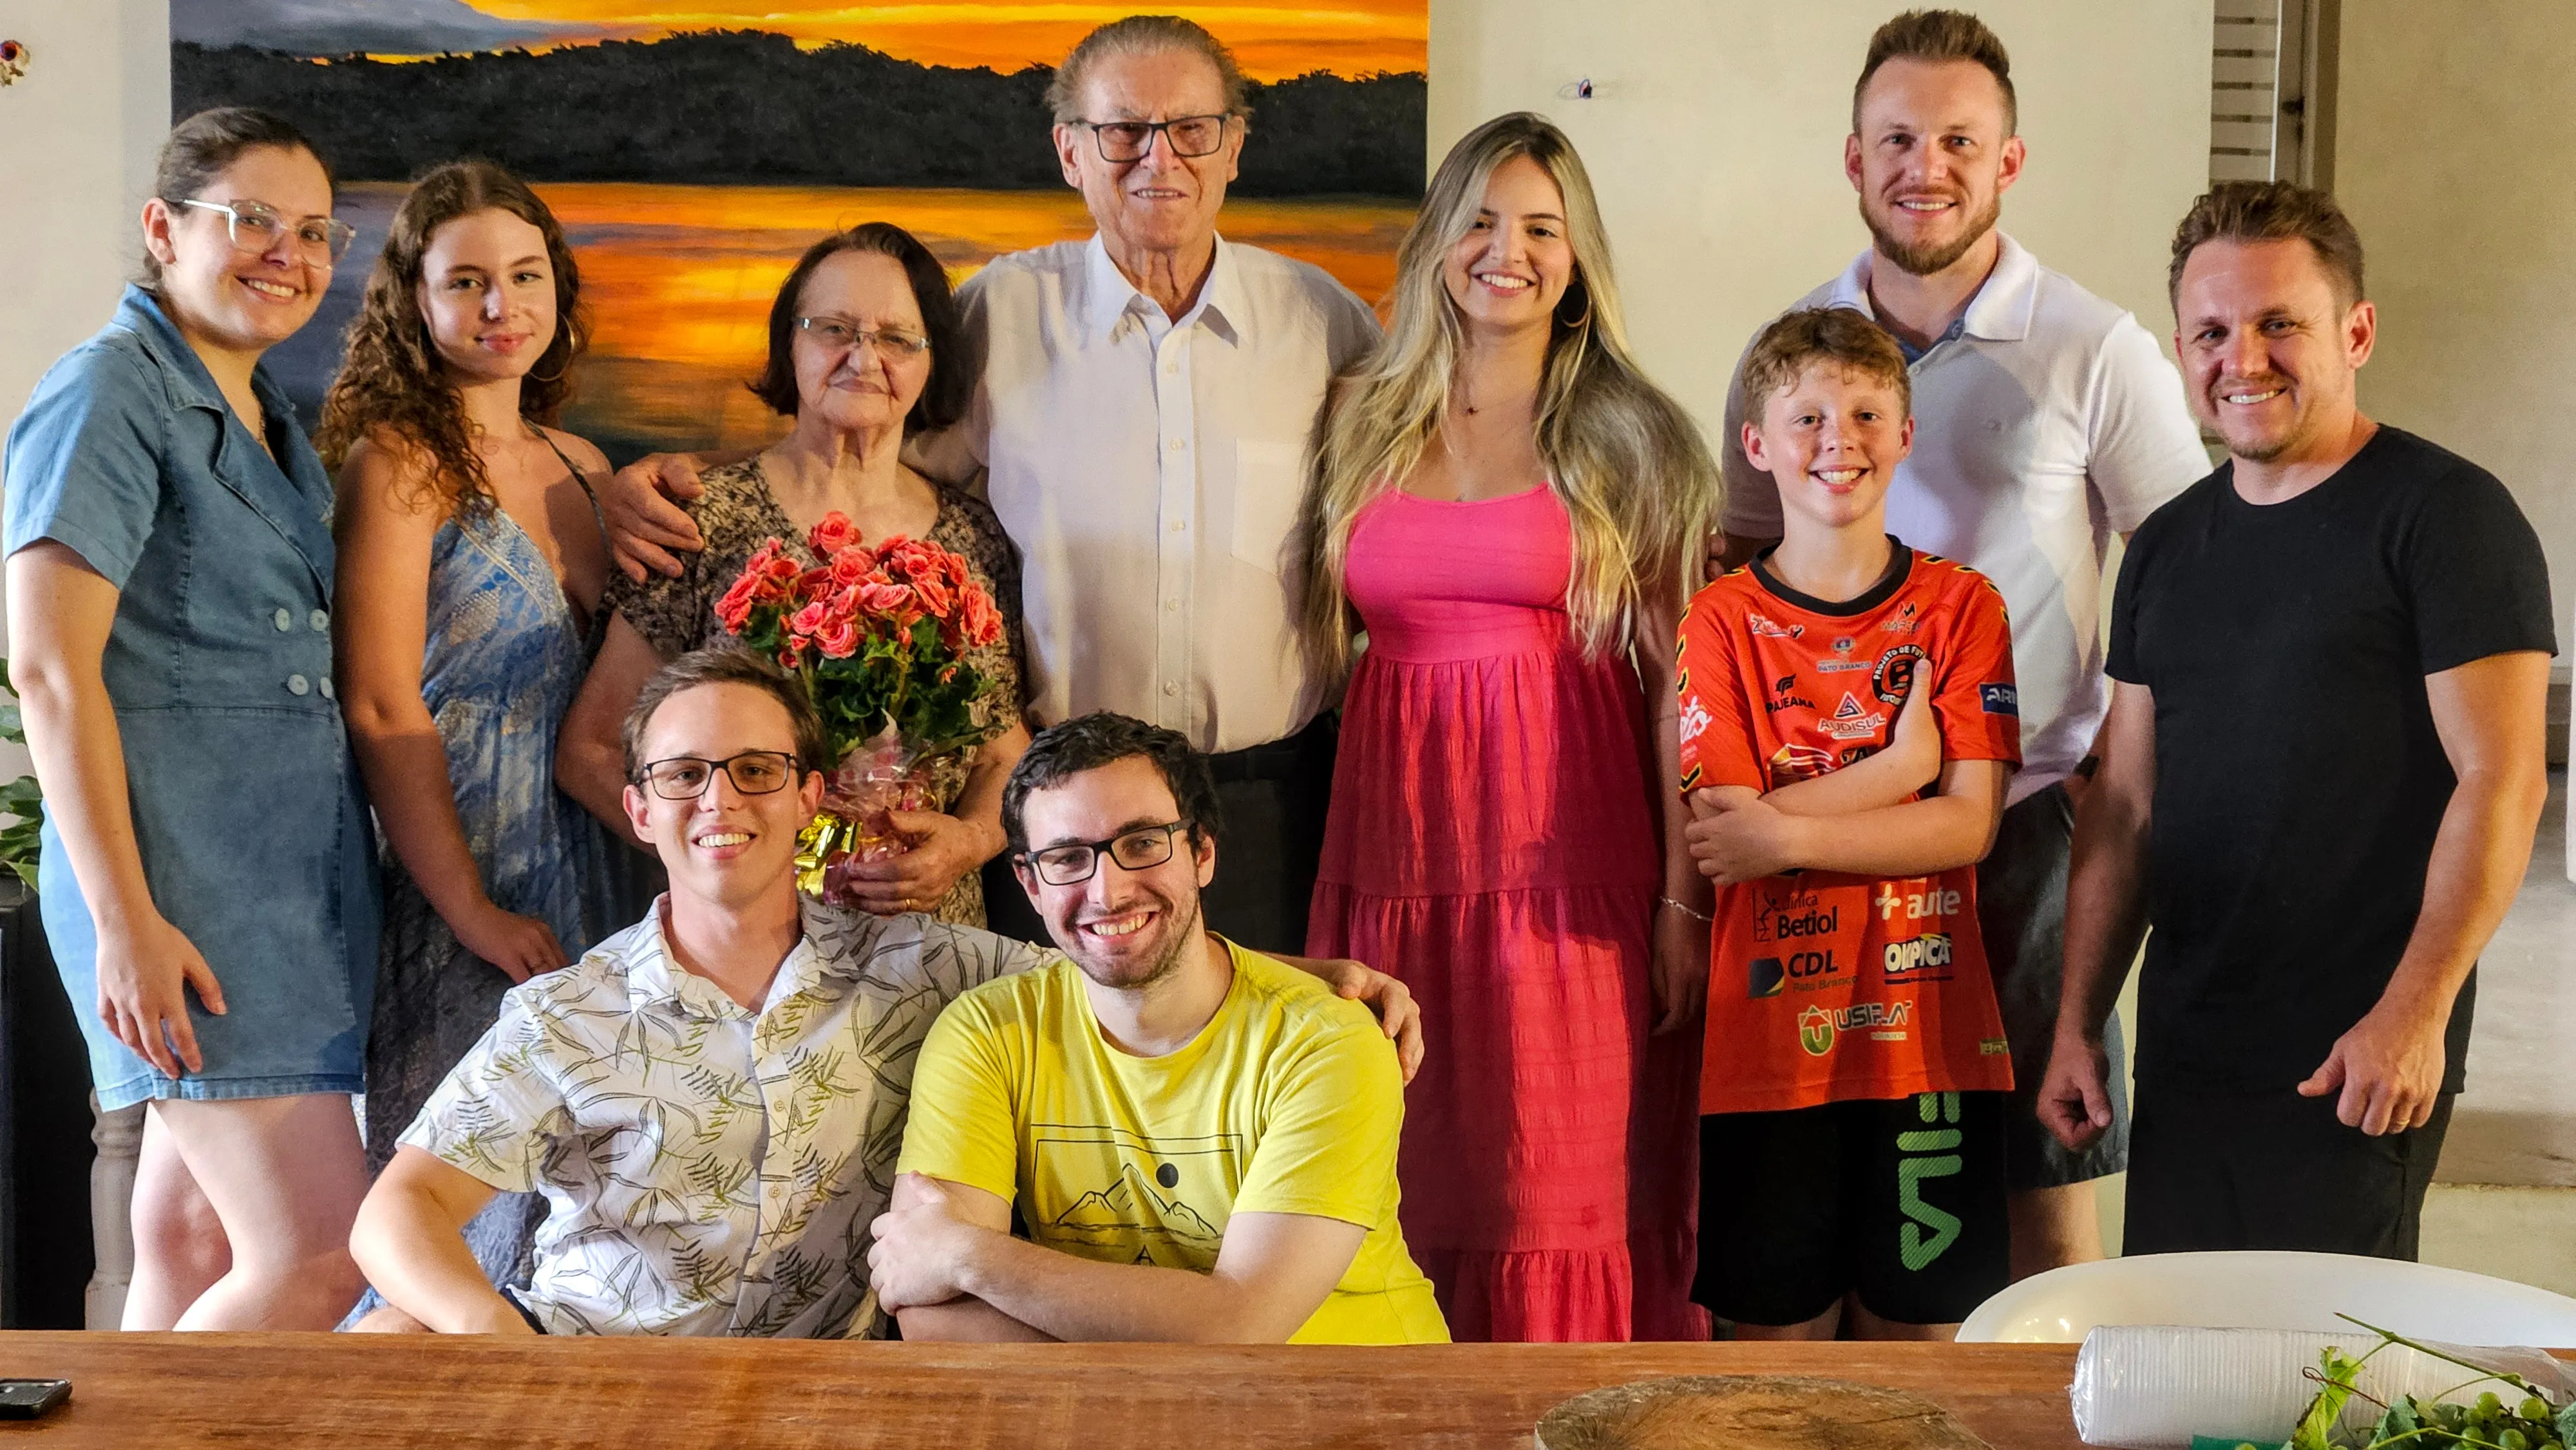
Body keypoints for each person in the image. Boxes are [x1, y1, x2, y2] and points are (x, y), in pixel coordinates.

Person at [596, 17, 1380, 954]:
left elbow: (1423, 484)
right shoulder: (1001, 314)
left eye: (1191, 129)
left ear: (1235, 145)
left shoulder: (1324, 321)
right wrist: (659, 483)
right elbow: (862, 455)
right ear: (1070, 152)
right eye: (1121, 131)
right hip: (1054, 813)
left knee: (1251, 1082)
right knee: (1056, 1089)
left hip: (1265, 801)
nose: (1157, 158)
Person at [351, 653, 1418, 1337]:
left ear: (809, 795)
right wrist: (499, 1350)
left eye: (757, 768)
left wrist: (1303, 979)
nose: (721, 799)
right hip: (598, 1372)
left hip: (826, 1389)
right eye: (685, 774)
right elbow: (399, 1214)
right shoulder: (563, 1013)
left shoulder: (925, 969)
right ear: (640, 808)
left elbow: (1117, 948)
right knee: (391, 1341)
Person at [1712, 9, 2209, 1277]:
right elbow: (1735, 564)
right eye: (1893, 138)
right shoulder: (1787, 348)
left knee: (2038, 1167)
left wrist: (2115, 773)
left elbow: (2188, 570)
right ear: (1850, 158)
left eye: (1953, 139)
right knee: (1859, 1175)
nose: (1920, 166)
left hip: (2027, 823)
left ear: (2006, 162)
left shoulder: (2091, 347)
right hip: (1818, 830)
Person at [2038, 182, 2555, 1260]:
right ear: (2181, 347)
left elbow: (2503, 781)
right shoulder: (2168, 546)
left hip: (2359, 1048)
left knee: (2321, 1382)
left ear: (2354, 331)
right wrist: (2079, 1024)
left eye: (2281, 323)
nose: (2245, 358)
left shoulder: (2444, 517)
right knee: (2187, 1352)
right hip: (2192, 1037)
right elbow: (2127, 807)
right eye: (2213, 332)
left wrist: (2416, 1014)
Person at [1293, 113, 1714, 1342]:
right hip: (1394, 845)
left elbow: (1674, 691)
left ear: (1578, 258)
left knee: (1554, 1180)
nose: (1506, 250)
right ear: (1436, 243)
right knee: (1403, 1165)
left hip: (1568, 867)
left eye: (1541, 226)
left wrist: (1683, 904)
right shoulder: (1361, 415)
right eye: (1480, 219)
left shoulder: (1635, 434)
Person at [1, 108, 379, 1329]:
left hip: (268, 883)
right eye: (251, 220)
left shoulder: (264, 412)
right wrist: (125, 922)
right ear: (165, 229)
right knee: (324, 1262)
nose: (288, 253)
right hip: (185, 894)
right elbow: (49, 669)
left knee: (194, 1243)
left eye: (314, 230)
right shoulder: (110, 391)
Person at [869, 713, 1448, 1345]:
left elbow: (1242, 1323)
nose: (1107, 889)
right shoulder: (985, 1031)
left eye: (1142, 843)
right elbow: (935, 1318)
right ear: (1030, 884)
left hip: (1357, 1403)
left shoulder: (1328, 1040)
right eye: (1067, 857)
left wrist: (968, 1254)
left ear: (1201, 852)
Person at [1680, 307, 2022, 1341]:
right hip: (1767, 1054)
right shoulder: (1720, 620)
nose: (1841, 440)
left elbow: (1966, 829)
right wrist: (1902, 766)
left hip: (1933, 1048)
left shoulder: (1963, 609)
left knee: (1921, 1349)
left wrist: (1786, 837)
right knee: (1771, 1361)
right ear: (1757, 445)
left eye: (1868, 413)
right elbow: (1723, 831)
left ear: (1907, 434)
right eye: (1809, 417)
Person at [319, 160, 619, 1292]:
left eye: (526, 275)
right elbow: (382, 702)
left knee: (590, 1189)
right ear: (415, 302)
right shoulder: (399, 460)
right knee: (465, 1198)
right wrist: (473, 910)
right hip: (466, 855)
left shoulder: (587, 464)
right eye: (468, 283)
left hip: (598, 853)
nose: (502, 308)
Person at [557, 222, 1028, 927]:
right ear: (790, 344)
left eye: (898, 337)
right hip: (749, 936)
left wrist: (972, 839)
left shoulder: (973, 535)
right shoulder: (698, 518)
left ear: (933, 362)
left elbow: (1002, 748)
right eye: (832, 327)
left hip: (929, 941)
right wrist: (715, 854)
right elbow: (589, 749)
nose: (863, 356)